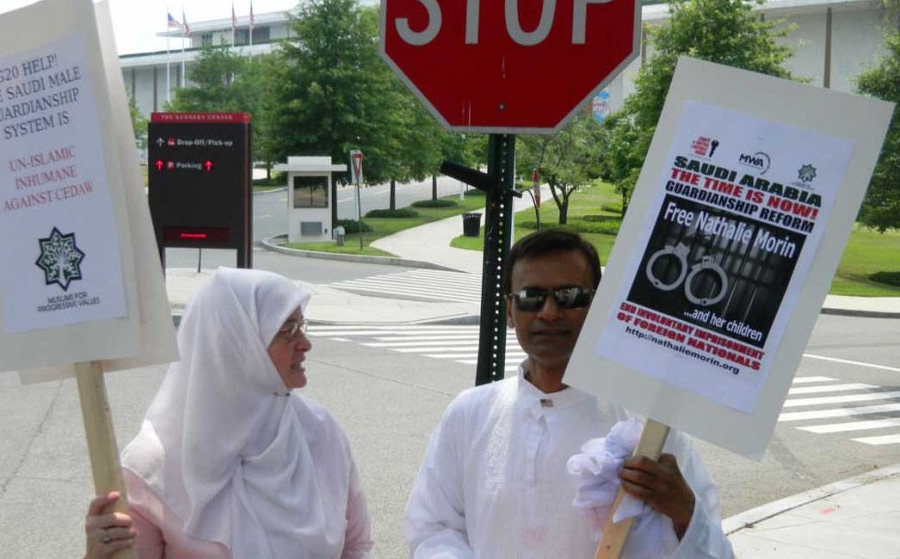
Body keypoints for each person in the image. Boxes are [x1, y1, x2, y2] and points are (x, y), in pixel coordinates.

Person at [404, 229, 735, 558]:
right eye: (531, 297)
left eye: (570, 296)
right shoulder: (470, 414)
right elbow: (433, 528)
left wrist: (684, 511)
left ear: (598, 307)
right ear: (509, 311)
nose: (549, 312)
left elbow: (715, 552)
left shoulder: (646, 429)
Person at [84, 267, 373, 559]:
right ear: (235, 344)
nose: (305, 344)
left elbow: (355, 547)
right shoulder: (152, 467)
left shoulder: (322, 432)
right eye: (288, 330)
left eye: (302, 325)